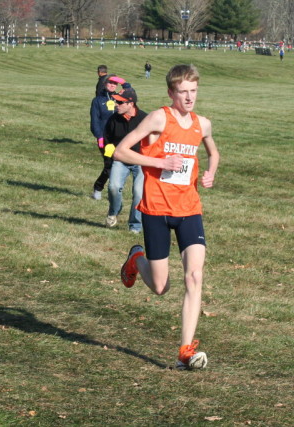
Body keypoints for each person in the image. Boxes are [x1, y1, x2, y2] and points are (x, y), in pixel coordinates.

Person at [114, 64, 220, 370]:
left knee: (195, 276)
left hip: (189, 208)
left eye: (193, 91)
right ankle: (137, 259)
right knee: (161, 287)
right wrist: (158, 161)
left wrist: (210, 173)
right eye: (183, 92)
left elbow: (213, 152)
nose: (189, 98)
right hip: (157, 209)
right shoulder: (159, 117)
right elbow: (121, 151)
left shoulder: (203, 124)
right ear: (171, 93)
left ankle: (185, 350)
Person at [104, 87, 146, 233]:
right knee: (113, 187)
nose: (116, 104)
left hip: (140, 161)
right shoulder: (113, 119)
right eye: (116, 101)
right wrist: (109, 161)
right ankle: (114, 210)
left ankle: (135, 225)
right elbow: (107, 141)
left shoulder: (144, 119)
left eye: (120, 102)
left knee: (139, 193)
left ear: (131, 103)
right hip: (120, 160)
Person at [89, 74, 125, 200]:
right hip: (106, 140)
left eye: (115, 83)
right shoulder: (98, 100)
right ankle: (99, 189)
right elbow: (95, 121)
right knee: (110, 164)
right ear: (105, 84)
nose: (112, 85)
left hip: (120, 138)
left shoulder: (119, 98)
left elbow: (132, 95)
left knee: (119, 164)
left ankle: (113, 189)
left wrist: (124, 83)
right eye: (110, 82)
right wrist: (99, 137)